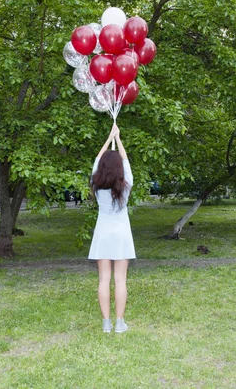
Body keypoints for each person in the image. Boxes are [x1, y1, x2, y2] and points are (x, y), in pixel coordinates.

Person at [89, 124, 135, 334]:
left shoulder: (96, 183)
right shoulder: (126, 184)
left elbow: (98, 161)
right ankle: (119, 323)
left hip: (103, 234)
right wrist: (119, 139)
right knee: (120, 280)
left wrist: (109, 139)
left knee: (104, 279)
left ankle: (106, 323)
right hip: (122, 234)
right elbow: (125, 161)